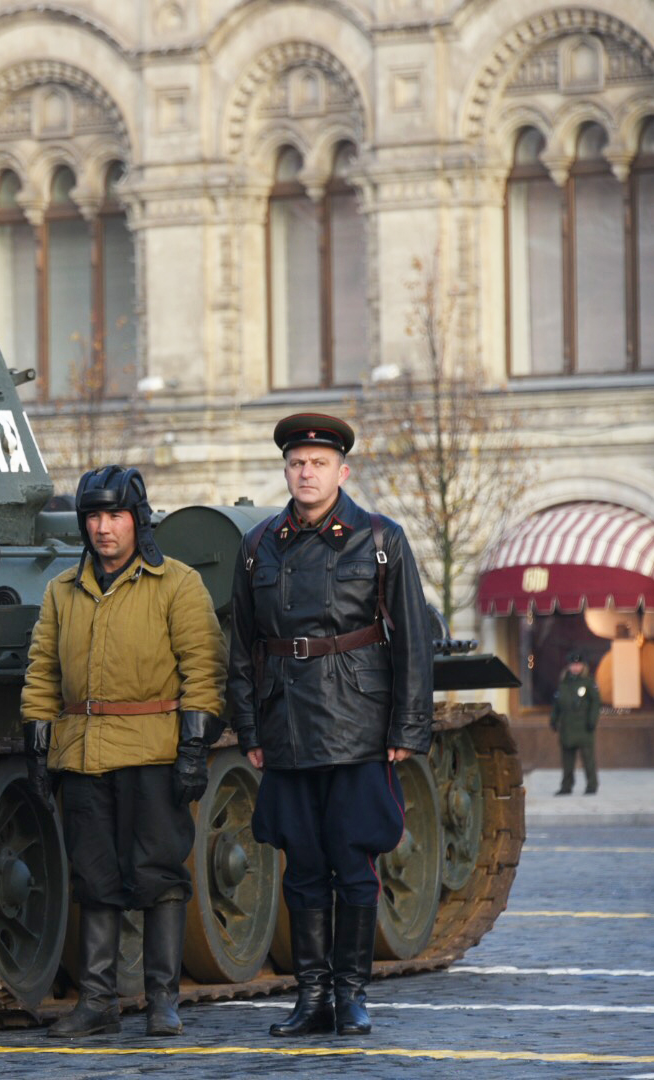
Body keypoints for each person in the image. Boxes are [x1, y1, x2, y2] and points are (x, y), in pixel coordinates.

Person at [226, 414, 432, 1038]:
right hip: (286, 724)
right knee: (304, 865)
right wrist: (250, 731)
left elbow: (412, 642)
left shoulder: (380, 539)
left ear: (343, 472)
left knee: (354, 862)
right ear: (285, 471)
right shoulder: (260, 545)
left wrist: (407, 728)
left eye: (318, 463)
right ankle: (311, 997)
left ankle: (351, 997)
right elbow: (242, 646)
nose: (306, 472)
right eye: (296, 463)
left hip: (359, 723)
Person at [21, 465, 225, 1038]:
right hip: (84, 754)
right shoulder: (63, 589)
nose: (103, 529)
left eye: (115, 516)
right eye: (93, 517)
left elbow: (203, 669)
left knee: (158, 875)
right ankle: (99, 1002)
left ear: (138, 520)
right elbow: (42, 671)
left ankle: (163, 1000)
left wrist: (193, 749)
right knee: (94, 878)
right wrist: (38, 739)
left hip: (153, 752)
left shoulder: (177, 583)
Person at [552, 652, 600, 796]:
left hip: (584, 727)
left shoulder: (588, 682)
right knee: (567, 761)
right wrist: (553, 720)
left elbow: (595, 703)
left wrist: (592, 721)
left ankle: (592, 785)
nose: (575, 667)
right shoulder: (564, 683)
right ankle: (566, 786)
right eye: (573, 664)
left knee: (588, 759)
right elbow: (557, 704)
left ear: (582, 666)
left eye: (578, 664)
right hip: (567, 727)